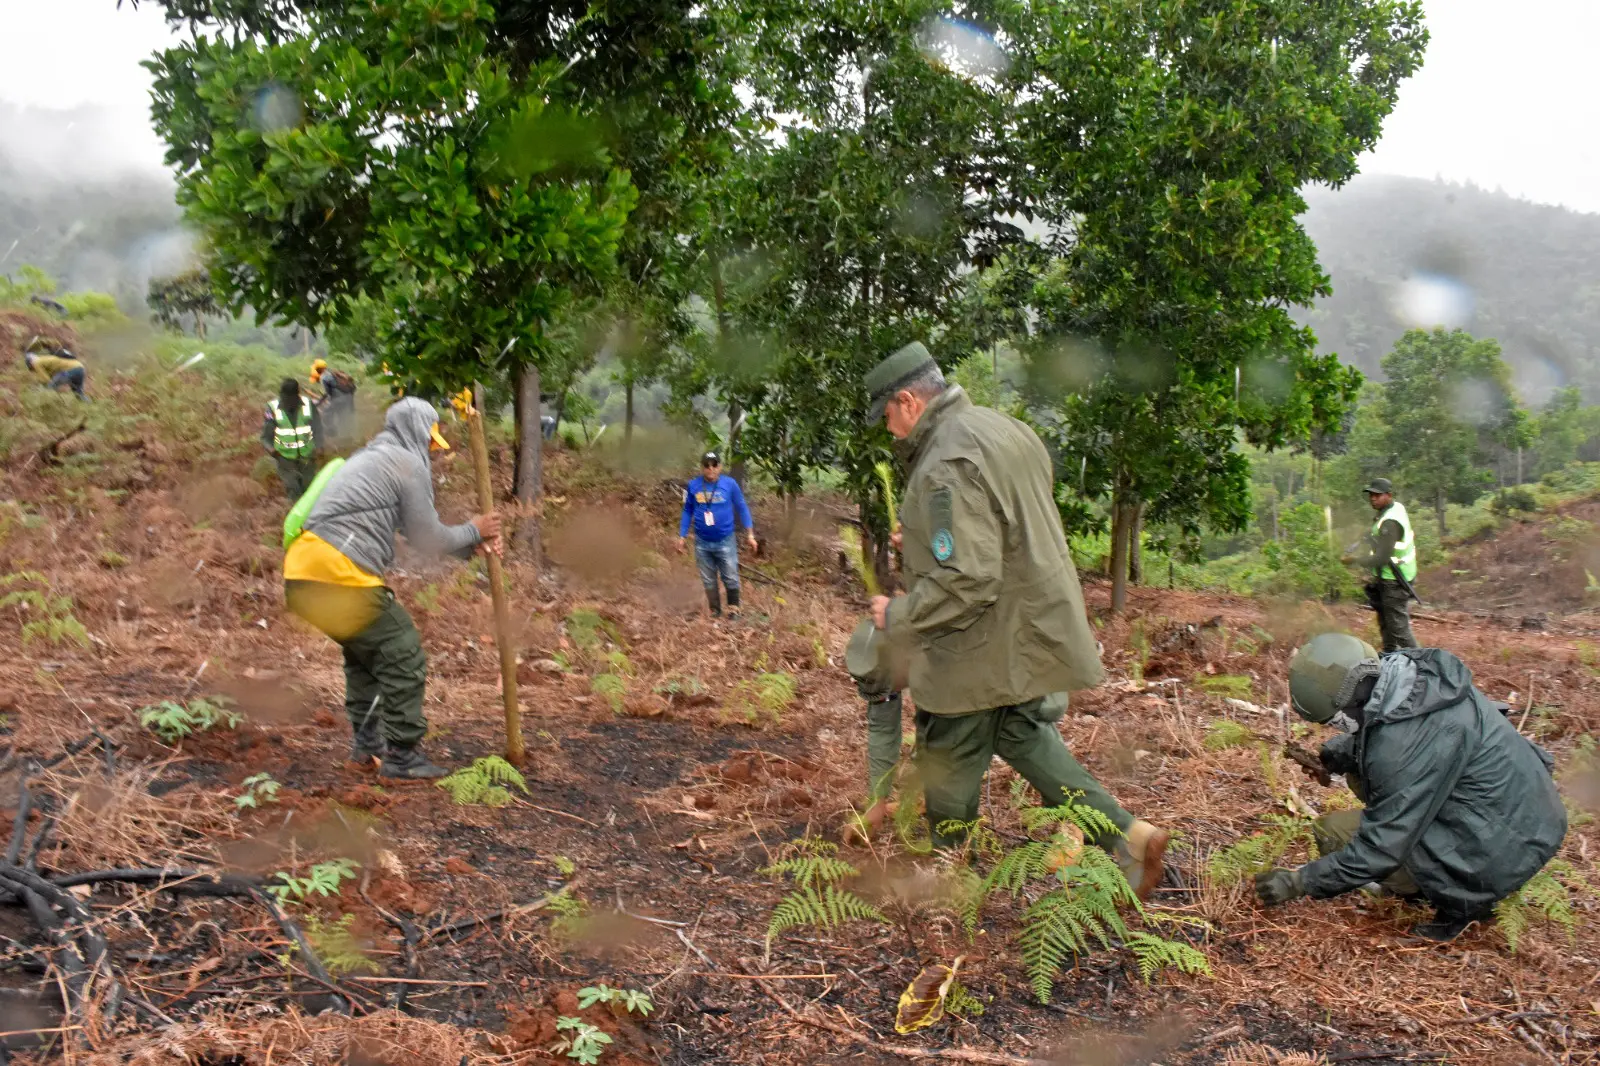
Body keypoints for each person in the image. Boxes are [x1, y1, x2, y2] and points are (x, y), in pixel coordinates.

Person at [862, 341, 1170, 900]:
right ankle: (1127, 835)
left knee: (947, 744)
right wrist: (927, 540)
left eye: (887, 416)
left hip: (979, 641)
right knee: (1024, 735)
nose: (889, 431)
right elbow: (1004, 522)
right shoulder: (1002, 429)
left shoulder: (943, 463)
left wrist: (901, 613)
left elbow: (968, 579)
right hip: (1027, 627)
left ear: (907, 401)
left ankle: (948, 873)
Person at [1255, 633, 1567, 940]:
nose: (1334, 726)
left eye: (1333, 720)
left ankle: (1464, 901)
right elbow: (1380, 725)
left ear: (1349, 702)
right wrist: (1336, 754)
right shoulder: (1408, 678)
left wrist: (1299, 882)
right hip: (1525, 814)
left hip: (1502, 847)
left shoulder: (1401, 748)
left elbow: (1380, 849)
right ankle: (1441, 881)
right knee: (1361, 778)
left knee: (1333, 834)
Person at [283, 398, 501, 779]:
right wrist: (475, 528)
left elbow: (413, 534)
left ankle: (367, 750)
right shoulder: (406, 462)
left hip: (303, 572)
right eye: (431, 442)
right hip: (338, 571)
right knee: (402, 651)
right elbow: (427, 535)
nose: (433, 451)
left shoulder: (370, 459)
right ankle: (401, 755)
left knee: (367, 657)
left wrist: (470, 546)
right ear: (418, 431)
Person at [676, 451, 757, 619]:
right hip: (702, 541)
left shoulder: (730, 484)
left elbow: (742, 507)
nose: (711, 469)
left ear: (720, 466)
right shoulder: (693, 485)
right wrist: (682, 536)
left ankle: (734, 609)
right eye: (707, 465)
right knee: (708, 579)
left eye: (714, 465)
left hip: (725, 540)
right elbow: (687, 511)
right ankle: (715, 610)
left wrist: (750, 534)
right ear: (702, 467)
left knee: (730, 576)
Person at [1355, 478, 1419, 652]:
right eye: (1371, 495)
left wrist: (1355, 560)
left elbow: (1382, 557)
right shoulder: (1394, 508)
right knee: (1386, 622)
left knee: (1399, 629)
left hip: (1395, 580)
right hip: (1391, 576)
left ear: (1388, 496)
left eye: (1377, 495)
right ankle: (1390, 657)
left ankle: (1422, 666)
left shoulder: (1390, 521)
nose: (1372, 499)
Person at [260, 378, 324, 502]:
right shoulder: (272, 408)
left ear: (297, 395)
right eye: (285, 398)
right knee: (293, 488)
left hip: (307, 455)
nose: (288, 402)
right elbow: (265, 436)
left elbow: (317, 427)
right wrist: (271, 450)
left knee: (309, 488)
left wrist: (319, 446)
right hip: (284, 457)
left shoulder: (308, 404)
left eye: (291, 398)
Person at [310, 358, 358, 444]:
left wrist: (318, 403)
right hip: (349, 398)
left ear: (318, 369)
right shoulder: (333, 373)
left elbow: (327, 394)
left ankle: (332, 431)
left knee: (326, 413)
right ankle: (346, 436)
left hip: (339, 399)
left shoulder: (324, 377)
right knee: (342, 416)